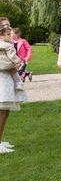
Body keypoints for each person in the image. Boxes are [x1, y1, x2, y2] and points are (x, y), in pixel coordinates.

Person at [0, 24, 26, 154]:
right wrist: (16, 65)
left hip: (7, 75)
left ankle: (0, 140)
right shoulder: (7, 45)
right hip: (2, 76)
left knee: (5, 111)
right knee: (2, 111)